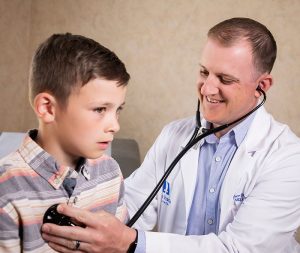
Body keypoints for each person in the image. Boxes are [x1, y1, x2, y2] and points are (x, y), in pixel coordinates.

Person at [41, 17, 300, 253]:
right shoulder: (175, 135)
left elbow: (239, 249)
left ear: (261, 86)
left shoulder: (288, 157)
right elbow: (130, 205)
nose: (208, 88)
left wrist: (130, 242)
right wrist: (73, 213)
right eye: (204, 72)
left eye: (225, 79)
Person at [0, 33, 136, 252]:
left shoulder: (110, 172)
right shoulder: (7, 190)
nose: (114, 126)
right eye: (100, 109)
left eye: (117, 109)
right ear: (48, 108)